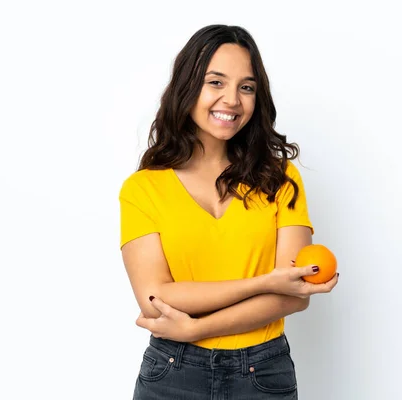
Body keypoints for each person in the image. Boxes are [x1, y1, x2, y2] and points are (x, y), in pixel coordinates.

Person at [118, 24, 339, 399]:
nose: (232, 100)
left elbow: (294, 293)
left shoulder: (281, 177)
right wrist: (264, 282)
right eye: (216, 82)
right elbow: (156, 297)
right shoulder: (143, 188)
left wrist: (196, 329)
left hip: (262, 374)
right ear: (188, 87)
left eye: (246, 87)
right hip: (172, 373)